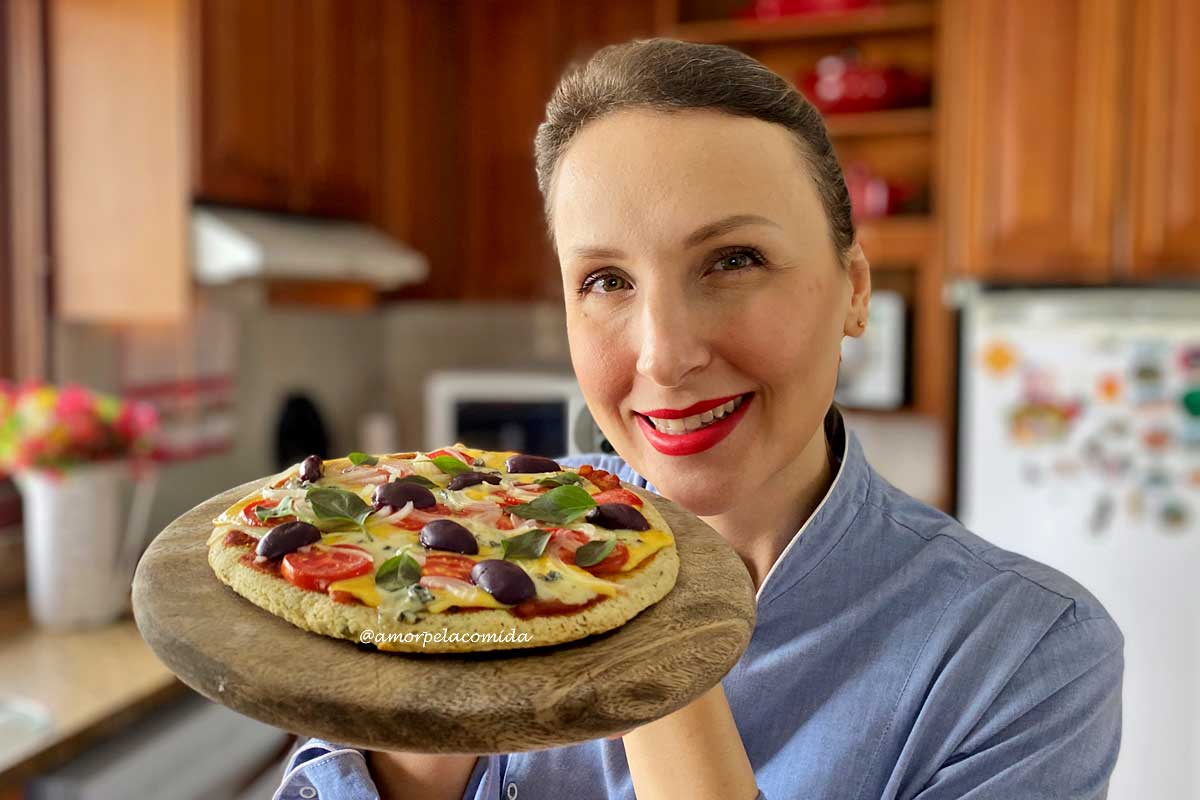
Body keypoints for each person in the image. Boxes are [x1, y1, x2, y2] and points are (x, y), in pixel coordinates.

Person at [273, 38, 1123, 800]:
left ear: (855, 289)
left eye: (734, 260)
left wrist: (641, 623)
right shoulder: (474, 544)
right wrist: (446, 656)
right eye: (606, 280)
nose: (665, 355)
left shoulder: (1025, 655)